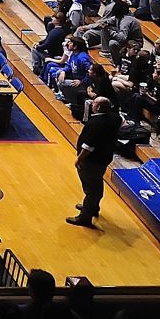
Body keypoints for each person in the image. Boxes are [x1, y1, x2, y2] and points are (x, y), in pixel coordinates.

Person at [68, 96, 123, 227]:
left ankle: (85, 217)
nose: (91, 104)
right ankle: (92, 207)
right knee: (96, 185)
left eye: (94, 103)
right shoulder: (115, 118)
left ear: (97, 107)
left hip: (91, 161)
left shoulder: (96, 124)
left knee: (91, 188)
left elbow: (88, 147)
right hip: (104, 158)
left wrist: (79, 159)